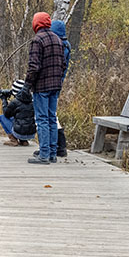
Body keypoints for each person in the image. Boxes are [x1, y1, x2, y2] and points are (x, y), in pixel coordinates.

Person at [24, 12, 66, 164]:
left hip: (42, 86)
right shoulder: (57, 39)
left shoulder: (38, 40)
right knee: (51, 119)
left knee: (41, 119)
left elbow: (34, 66)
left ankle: (44, 155)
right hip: (55, 86)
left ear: (36, 23)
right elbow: (63, 64)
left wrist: (27, 85)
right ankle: (53, 154)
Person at [49, 19, 71, 158]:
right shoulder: (66, 45)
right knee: (52, 114)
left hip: (52, 84)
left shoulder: (60, 47)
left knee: (50, 115)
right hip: (58, 83)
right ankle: (58, 146)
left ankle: (59, 146)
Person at [0, 79, 36, 146]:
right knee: (23, 118)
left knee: (2, 117)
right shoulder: (32, 100)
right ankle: (24, 141)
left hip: (19, 132)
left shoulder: (15, 102)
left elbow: (6, 114)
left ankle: (13, 140)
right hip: (31, 133)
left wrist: (4, 101)